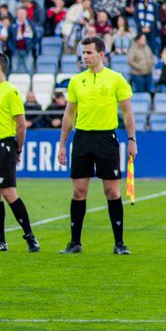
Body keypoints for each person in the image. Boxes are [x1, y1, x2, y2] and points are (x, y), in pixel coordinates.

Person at [57, 36, 138, 255]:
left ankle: (119, 243)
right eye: (83, 53)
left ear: (101, 54)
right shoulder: (76, 81)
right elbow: (69, 114)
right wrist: (62, 144)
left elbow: (128, 112)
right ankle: (75, 243)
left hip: (106, 139)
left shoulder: (116, 79)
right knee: (78, 192)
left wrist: (132, 140)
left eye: (89, 52)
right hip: (82, 139)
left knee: (112, 191)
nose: (85, 56)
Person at [0, 53, 40, 253]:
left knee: (8, 192)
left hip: (3, 146)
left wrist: (18, 148)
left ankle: (30, 236)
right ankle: (0, 240)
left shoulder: (11, 91)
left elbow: (20, 124)